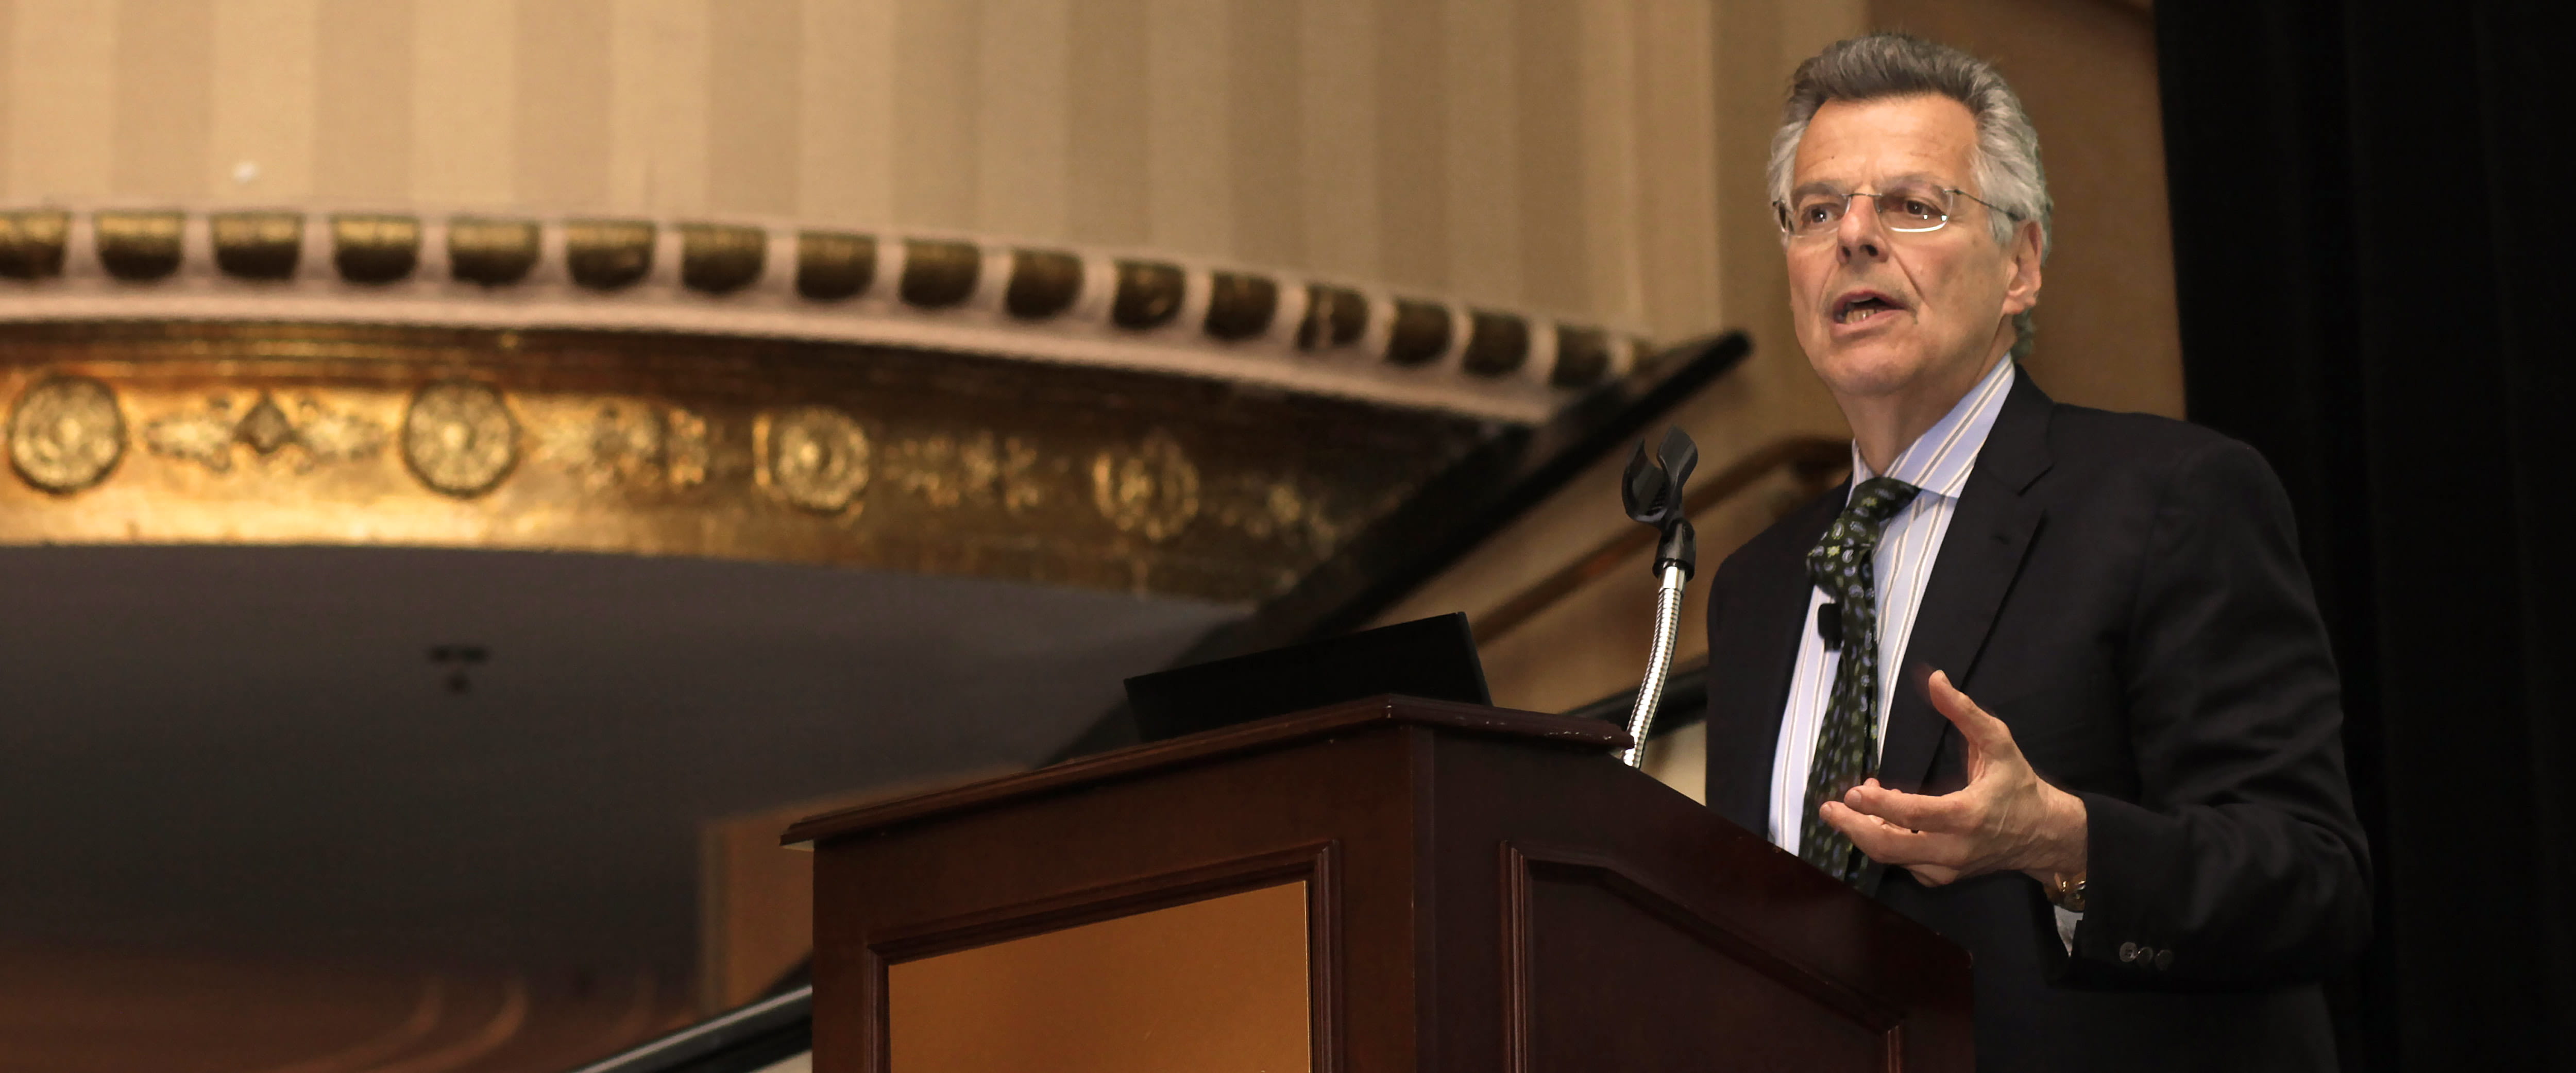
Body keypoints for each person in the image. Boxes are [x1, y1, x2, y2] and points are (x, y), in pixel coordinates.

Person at [1700, 34, 2370, 1071]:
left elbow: (2311, 881)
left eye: (1913, 204)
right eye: (1818, 210)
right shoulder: (1754, 586)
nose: (1855, 239)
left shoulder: (2167, 500)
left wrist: (2062, 844)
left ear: (2020, 265)